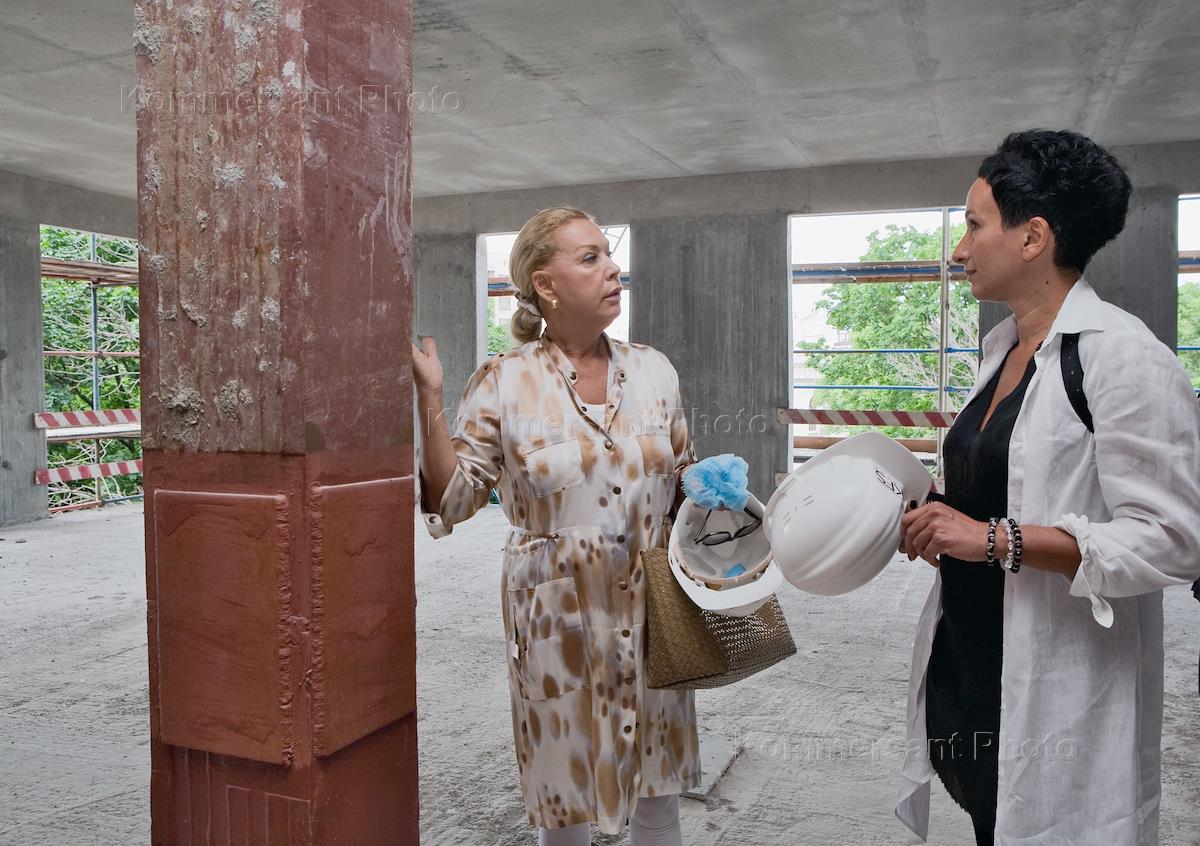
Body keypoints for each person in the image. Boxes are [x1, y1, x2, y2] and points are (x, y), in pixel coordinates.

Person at [896, 129, 1200, 844]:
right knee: (992, 817)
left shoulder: (1123, 356)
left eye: (974, 226)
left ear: (1033, 237)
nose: (959, 250)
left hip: (1053, 673)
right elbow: (1006, 489)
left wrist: (994, 540)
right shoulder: (1000, 350)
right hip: (973, 656)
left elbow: (1174, 538)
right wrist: (939, 518)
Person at [413, 207, 698, 846]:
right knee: (564, 802)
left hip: (652, 603)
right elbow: (454, 501)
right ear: (546, 285)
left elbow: (683, 478)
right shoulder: (504, 382)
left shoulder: (655, 370)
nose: (613, 269)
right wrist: (429, 399)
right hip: (555, 613)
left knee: (659, 791)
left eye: (609, 254)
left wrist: (710, 493)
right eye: (591, 257)